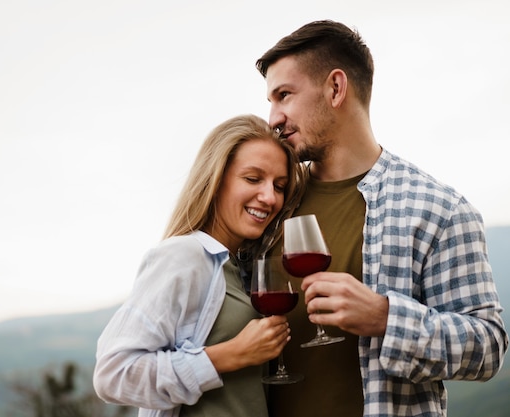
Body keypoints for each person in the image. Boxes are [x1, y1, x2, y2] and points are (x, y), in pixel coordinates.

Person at [255, 20, 508, 417]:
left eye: (284, 95)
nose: (273, 118)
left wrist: (385, 317)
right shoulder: (269, 205)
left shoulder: (438, 208)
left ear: (335, 88)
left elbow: (488, 348)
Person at [93, 114, 305, 417]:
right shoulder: (184, 255)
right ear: (216, 179)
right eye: (253, 179)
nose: (270, 197)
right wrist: (230, 355)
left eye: (280, 185)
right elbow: (113, 374)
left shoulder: (239, 268)